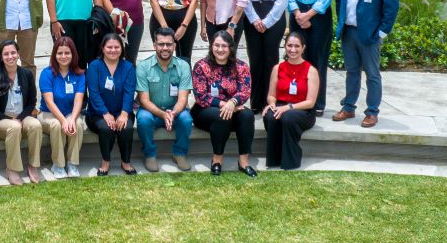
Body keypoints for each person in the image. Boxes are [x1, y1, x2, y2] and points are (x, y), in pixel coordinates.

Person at [333, 0, 400, 128]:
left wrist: (382, 32)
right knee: (351, 71)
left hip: (370, 35)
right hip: (349, 31)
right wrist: (341, 21)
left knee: (372, 74)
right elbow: (340, 0)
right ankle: (348, 107)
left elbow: (391, 7)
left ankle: (372, 112)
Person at [284, 0, 336, 116]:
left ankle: (317, 103)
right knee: (297, 58)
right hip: (297, 13)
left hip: (319, 17)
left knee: (317, 60)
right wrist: (298, 14)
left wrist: (309, 15)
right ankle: (298, 99)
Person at [190, 31, 256, 176]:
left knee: (247, 115)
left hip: (234, 108)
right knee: (222, 115)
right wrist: (225, 105)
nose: (220, 49)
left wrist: (232, 102)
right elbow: (200, 95)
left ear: (231, 48)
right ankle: (217, 159)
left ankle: (244, 161)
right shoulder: (201, 66)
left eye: (224, 46)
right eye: (217, 45)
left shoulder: (241, 66)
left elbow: (245, 91)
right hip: (205, 111)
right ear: (211, 46)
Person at [0, 40, 43, 185]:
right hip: (1, 120)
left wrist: (20, 117)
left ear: (18, 54)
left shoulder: (26, 74)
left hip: (22, 116)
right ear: (1, 57)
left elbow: (31, 102)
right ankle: (12, 169)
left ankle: (33, 166)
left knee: (36, 125)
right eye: (6, 54)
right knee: (14, 127)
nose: (10, 56)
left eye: (13, 53)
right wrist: (10, 119)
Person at [135, 26, 193, 171]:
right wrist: (162, 114)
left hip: (175, 111)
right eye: (161, 44)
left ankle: (179, 153)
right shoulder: (143, 66)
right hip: (151, 111)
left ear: (174, 45)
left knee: (186, 119)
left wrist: (172, 113)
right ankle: (150, 155)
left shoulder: (184, 66)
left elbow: (183, 99)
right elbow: (144, 100)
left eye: (169, 44)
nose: (165, 48)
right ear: (154, 45)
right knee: (143, 119)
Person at [243, 0, 290, 114]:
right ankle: (256, 102)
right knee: (255, 59)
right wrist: (255, 19)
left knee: (271, 60)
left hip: (274, 17)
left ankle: (271, 101)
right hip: (252, 15)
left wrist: (268, 21)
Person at [263, 32, 319, 170]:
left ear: (303, 48)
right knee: (271, 116)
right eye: (289, 45)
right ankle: (274, 160)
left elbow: (310, 102)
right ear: (285, 46)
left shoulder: (311, 70)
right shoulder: (278, 68)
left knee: (287, 117)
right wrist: (271, 105)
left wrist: (288, 107)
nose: (292, 49)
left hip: (302, 110)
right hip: (280, 105)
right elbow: (271, 95)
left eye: (297, 46)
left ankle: (291, 161)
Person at [85, 31, 137, 175]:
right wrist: (105, 113)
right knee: (107, 128)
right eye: (109, 47)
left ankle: (126, 162)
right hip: (97, 114)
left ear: (122, 48)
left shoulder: (128, 67)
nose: (113, 50)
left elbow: (129, 92)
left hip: (122, 111)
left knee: (126, 128)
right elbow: (93, 93)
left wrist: (124, 113)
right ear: (102, 48)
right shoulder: (95, 66)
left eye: (116, 47)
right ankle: (105, 161)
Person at [37, 36, 86, 178]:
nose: (63, 56)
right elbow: (49, 102)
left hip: (70, 112)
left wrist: (72, 118)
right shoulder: (47, 74)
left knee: (77, 123)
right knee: (56, 125)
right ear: (54, 55)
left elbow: (78, 101)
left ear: (73, 54)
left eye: (67, 53)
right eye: (59, 53)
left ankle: (72, 163)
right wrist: (63, 120)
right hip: (48, 113)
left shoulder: (79, 74)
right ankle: (58, 165)